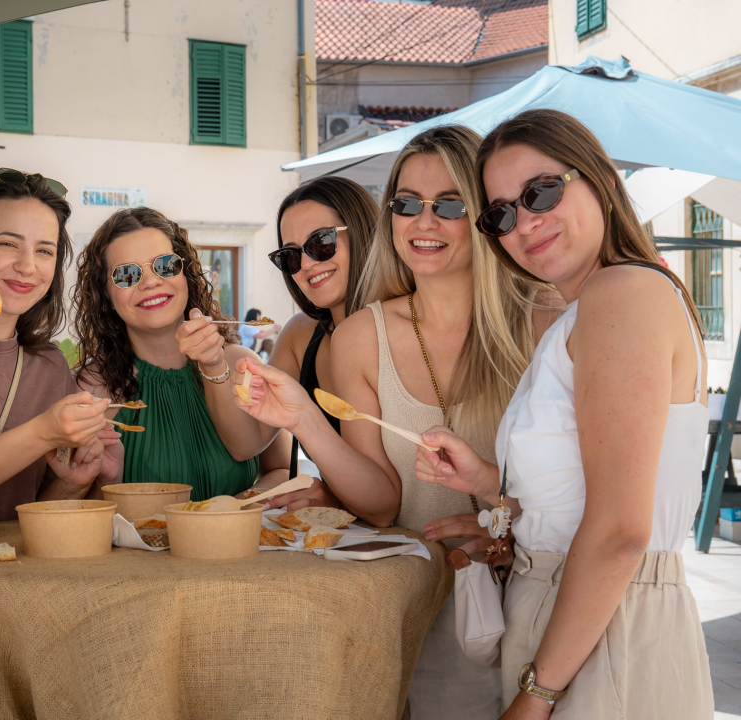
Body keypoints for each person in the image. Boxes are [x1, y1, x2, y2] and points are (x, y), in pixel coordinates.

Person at [236, 126, 557, 718]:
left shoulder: (545, 320)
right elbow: (381, 504)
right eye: (406, 204)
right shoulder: (363, 336)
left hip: (542, 600)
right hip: (423, 609)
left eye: (450, 205)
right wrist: (303, 418)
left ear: (485, 215)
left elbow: (586, 487)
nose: (423, 222)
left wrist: (511, 529)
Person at [416, 109, 714, 719]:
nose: (525, 221)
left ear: (601, 178)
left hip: (603, 629)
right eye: (501, 213)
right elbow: (601, 496)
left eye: (541, 191)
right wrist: (490, 486)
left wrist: (535, 698)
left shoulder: (620, 295)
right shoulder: (598, 305)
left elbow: (620, 531)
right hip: (582, 619)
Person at [0, 169, 118, 526]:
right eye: (8, 244)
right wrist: (43, 432)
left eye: (44, 251)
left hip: (10, 577)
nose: (27, 266)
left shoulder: (50, 368)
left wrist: (70, 485)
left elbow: (31, 517)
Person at [71, 207, 271, 500]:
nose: (150, 281)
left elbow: (278, 469)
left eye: (165, 265)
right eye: (127, 275)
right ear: (106, 297)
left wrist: (243, 505)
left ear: (186, 273)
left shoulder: (242, 364)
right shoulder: (92, 389)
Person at [236, 176, 383, 507]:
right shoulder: (300, 336)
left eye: (321, 241)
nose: (305, 265)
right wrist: (215, 365)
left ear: (363, 232)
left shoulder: (408, 326)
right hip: (349, 541)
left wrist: (340, 499)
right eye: (290, 256)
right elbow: (248, 444)